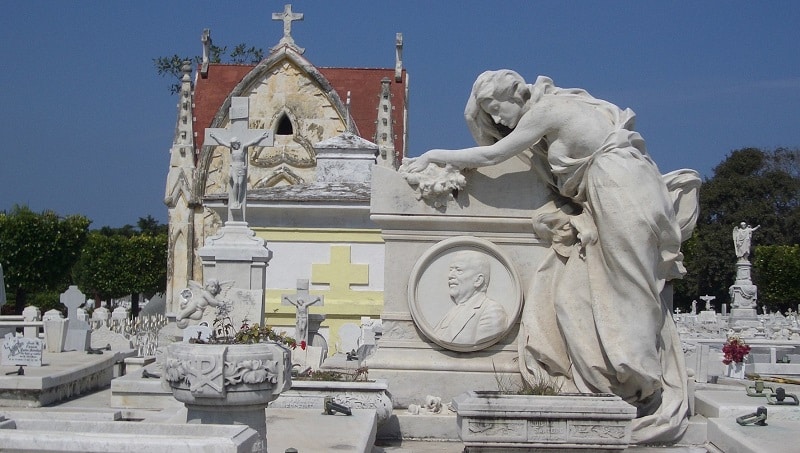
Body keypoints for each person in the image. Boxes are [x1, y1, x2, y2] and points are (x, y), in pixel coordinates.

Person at [404, 70, 700, 443]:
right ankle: (623, 373)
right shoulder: (555, 107)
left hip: (620, 191)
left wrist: (433, 154)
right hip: (614, 190)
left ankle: (638, 379)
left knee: (630, 289)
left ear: (517, 92)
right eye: (489, 114)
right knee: (596, 292)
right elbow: (499, 141)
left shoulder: (548, 110)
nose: (496, 121)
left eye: (497, 109)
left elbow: (495, 152)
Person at [433, 250, 508, 346]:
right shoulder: (453, 311)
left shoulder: (492, 311)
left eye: (459, 270)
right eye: (451, 270)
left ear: (478, 280)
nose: (450, 276)